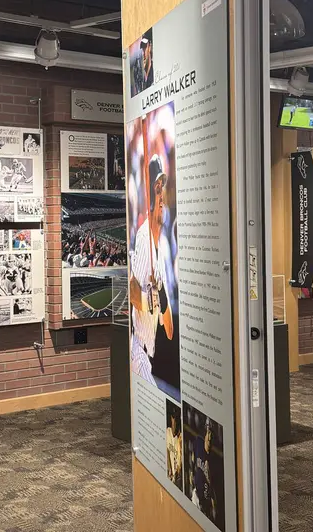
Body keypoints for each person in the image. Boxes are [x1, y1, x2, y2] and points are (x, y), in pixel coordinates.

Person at [129, 154, 173, 385]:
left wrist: (161, 299)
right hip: (139, 351)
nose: (162, 196)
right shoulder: (145, 236)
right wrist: (153, 301)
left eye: (163, 188)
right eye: (157, 189)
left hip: (152, 352)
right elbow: (133, 293)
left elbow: (169, 330)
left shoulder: (162, 245)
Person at [191, 418, 218, 523]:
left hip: (206, 507)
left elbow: (214, 496)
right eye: (208, 433)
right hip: (196, 496)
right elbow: (193, 458)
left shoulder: (214, 460)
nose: (210, 438)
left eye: (212, 435)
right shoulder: (198, 443)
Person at [166, 406, 182, 489]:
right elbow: (167, 451)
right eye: (173, 418)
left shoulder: (181, 439)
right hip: (170, 478)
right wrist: (169, 469)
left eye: (176, 419)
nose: (174, 422)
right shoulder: (167, 432)